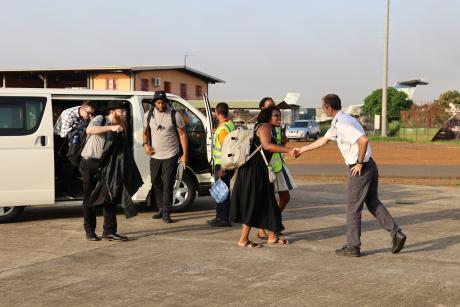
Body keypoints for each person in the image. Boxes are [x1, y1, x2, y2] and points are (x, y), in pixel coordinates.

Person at [297, 94, 407, 257]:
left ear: (328, 107)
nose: (322, 109)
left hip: (360, 168)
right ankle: (396, 233)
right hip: (370, 166)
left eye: (323, 107)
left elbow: (363, 140)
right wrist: (301, 150)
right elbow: (323, 140)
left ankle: (353, 246)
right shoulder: (340, 121)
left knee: (353, 208)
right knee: (372, 202)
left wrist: (359, 163)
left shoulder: (343, 123)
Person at [230, 106, 297, 247]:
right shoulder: (265, 126)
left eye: (279, 115)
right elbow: (266, 146)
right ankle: (243, 239)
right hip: (253, 171)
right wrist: (288, 150)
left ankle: (272, 236)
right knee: (253, 203)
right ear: (267, 116)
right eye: (276, 115)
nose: (279, 117)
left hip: (259, 170)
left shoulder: (267, 127)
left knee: (269, 202)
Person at [79, 100, 129, 241]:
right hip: (90, 163)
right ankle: (90, 231)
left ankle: (109, 231)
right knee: (89, 197)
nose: (124, 114)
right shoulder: (100, 119)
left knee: (110, 197)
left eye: (125, 111)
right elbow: (90, 130)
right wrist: (110, 128)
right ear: (112, 112)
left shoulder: (120, 126)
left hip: (105, 165)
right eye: (121, 111)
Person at [143, 91, 188, 224]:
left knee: (167, 183)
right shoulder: (149, 115)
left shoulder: (175, 115)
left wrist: (185, 154)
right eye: (158, 102)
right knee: (156, 182)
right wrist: (145, 145)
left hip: (171, 154)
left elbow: (183, 135)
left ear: (166, 102)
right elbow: (145, 132)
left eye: (163, 102)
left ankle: (167, 212)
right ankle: (161, 208)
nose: (161, 104)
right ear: (154, 103)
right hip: (155, 155)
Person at [257, 97, 297, 239]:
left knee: (285, 197)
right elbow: (266, 146)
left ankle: (272, 222)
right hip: (266, 166)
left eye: (274, 107)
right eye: (269, 106)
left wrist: (285, 139)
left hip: (279, 164)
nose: (274, 109)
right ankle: (266, 227)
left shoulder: (276, 125)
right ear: (262, 108)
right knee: (267, 200)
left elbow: (281, 141)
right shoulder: (262, 127)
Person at [207, 102, 236, 227]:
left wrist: (223, 168)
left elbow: (227, 149)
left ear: (217, 113)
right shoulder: (230, 124)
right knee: (222, 191)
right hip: (226, 164)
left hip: (223, 165)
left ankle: (224, 219)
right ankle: (220, 217)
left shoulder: (223, 129)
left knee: (223, 192)